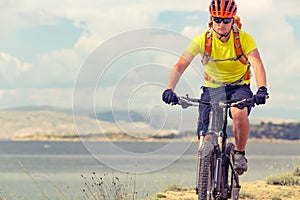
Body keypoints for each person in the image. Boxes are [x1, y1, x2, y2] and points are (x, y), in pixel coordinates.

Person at [162, 0, 268, 175]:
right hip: (213, 89)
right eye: (217, 19)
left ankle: (240, 153)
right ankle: (204, 175)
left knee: (239, 113)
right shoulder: (202, 40)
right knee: (206, 134)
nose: (221, 24)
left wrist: (262, 89)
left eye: (226, 20)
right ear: (211, 19)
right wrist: (169, 89)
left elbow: (256, 63)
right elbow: (180, 65)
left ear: (233, 20)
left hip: (238, 86)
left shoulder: (244, 39)